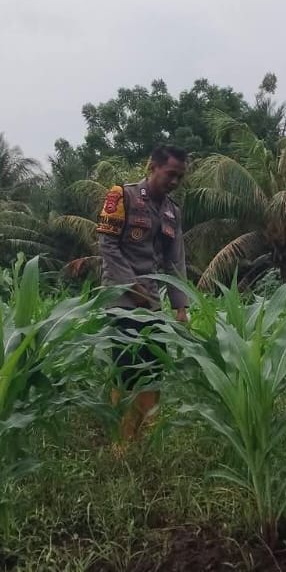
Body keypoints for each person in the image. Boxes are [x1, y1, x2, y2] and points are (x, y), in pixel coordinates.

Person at [95, 144, 189, 446]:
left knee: (153, 369)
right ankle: (121, 442)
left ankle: (146, 439)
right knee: (126, 370)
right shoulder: (122, 196)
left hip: (151, 303)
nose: (174, 181)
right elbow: (108, 246)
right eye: (170, 174)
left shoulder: (173, 211)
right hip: (121, 301)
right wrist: (132, 288)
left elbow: (175, 261)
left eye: (180, 177)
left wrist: (181, 306)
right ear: (153, 167)